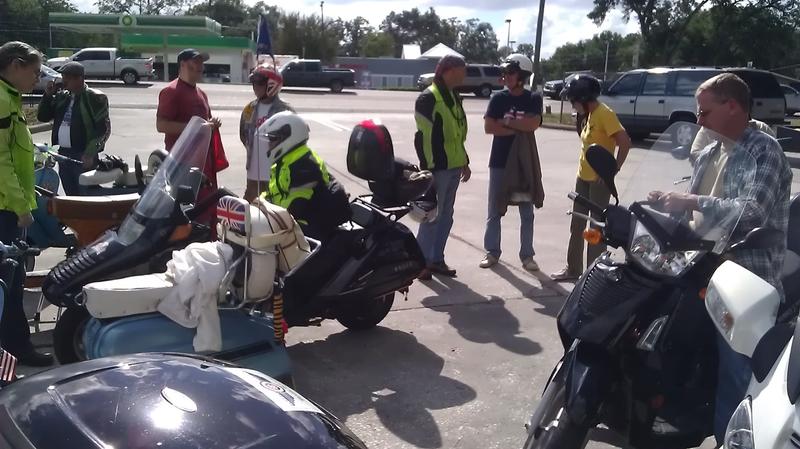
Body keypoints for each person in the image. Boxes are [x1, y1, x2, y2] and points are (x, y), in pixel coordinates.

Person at [645, 73, 791, 444]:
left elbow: (751, 213)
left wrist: (690, 202)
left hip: (746, 277)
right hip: (701, 267)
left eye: (704, 112)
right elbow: (687, 212)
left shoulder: (764, 150)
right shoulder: (710, 151)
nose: (699, 121)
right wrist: (662, 210)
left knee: (734, 368)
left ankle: (733, 436)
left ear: (732, 107)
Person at [0, 41, 53, 366]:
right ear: (15, 65)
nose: (37, 78)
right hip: (6, 208)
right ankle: (18, 350)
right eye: (34, 72)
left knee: (11, 284)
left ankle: (15, 348)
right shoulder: (2, 101)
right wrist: (21, 206)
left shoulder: (10, 98)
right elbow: (0, 160)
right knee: (10, 285)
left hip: (9, 203)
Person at [551, 74, 631, 281]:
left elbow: (625, 142)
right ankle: (573, 269)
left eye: (573, 100)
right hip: (582, 178)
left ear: (584, 98)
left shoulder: (605, 114)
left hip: (599, 182)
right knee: (577, 224)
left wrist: (612, 171)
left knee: (595, 228)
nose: (572, 104)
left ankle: (593, 274)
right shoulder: (588, 115)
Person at [480, 53, 544, 272]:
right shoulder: (498, 99)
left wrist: (506, 121)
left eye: (510, 72)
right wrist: (518, 124)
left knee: (526, 212)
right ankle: (492, 252)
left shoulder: (533, 98)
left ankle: (527, 256)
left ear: (522, 75)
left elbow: (533, 124)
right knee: (495, 209)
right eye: (504, 72)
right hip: (499, 162)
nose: (505, 76)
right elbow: (489, 127)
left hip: (522, 163)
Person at [414, 54, 471, 280]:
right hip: (438, 167)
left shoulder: (454, 96)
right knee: (431, 215)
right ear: (449, 71)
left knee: (446, 215)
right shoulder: (428, 98)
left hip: (454, 165)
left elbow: (457, 135)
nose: (465, 74)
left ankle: (436, 259)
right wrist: (428, 169)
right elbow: (424, 137)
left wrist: (464, 160)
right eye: (462, 70)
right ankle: (421, 263)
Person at [156, 48, 228, 225]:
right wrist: (198, 128)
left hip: (203, 164)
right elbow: (161, 125)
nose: (200, 66)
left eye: (201, 62)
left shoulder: (201, 93)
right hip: (181, 164)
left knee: (205, 210)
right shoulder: (171, 91)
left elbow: (204, 122)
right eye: (195, 62)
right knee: (186, 214)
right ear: (182, 64)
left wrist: (212, 123)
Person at [258, 111, 350, 241]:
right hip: (292, 222)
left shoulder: (304, 163)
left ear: (289, 137)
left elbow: (296, 206)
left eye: (273, 139)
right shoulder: (284, 161)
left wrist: (266, 213)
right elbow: (273, 193)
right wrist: (258, 204)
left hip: (311, 225)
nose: (269, 144)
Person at [37, 61, 110, 195]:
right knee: (70, 192)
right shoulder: (62, 96)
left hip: (82, 153)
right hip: (64, 153)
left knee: (86, 193)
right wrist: (47, 95)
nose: (64, 81)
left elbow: (103, 129)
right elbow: (43, 117)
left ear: (79, 78)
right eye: (63, 77)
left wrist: (90, 152)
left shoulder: (94, 97)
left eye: (68, 78)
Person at [240, 63, 294, 202]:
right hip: (253, 176)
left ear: (272, 84)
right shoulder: (249, 109)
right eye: (253, 82)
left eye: (259, 82)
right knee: (249, 213)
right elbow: (243, 134)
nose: (255, 86)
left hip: (276, 176)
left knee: (275, 216)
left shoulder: (285, 111)